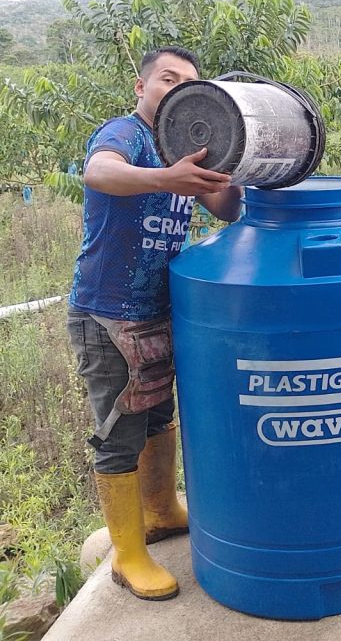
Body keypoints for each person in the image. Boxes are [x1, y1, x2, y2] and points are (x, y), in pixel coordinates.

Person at [67, 46, 242, 600]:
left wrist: (237, 168)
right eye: (167, 78)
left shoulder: (184, 148)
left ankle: (161, 509)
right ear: (141, 87)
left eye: (190, 83)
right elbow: (99, 172)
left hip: (158, 310)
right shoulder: (125, 134)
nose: (177, 88)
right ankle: (128, 554)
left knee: (158, 414)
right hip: (108, 312)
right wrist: (165, 177)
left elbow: (227, 208)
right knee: (120, 431)